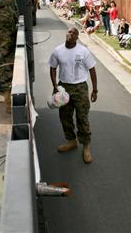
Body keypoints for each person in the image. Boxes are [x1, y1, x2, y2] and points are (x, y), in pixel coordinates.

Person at [49, 27, 98, 163]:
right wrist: (55, 86)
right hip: (63, 87)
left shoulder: (83, 51)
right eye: (69, 32)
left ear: (77, 37)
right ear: (66, 34)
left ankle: (86, 146)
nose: (71, 34)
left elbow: (92, 70)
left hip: (80, 87)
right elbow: (52, 68)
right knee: (65, 116)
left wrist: (95, 90)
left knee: (82, 117)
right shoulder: (57, 51)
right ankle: (71, 141)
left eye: (74, 33)